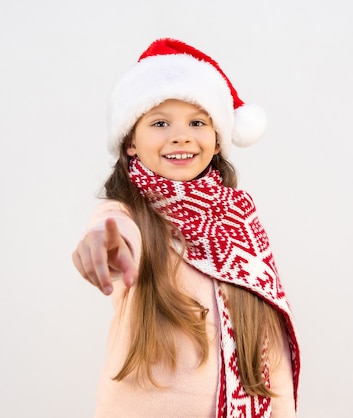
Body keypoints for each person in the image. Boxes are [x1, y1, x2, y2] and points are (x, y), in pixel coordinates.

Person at [72, 38, 301, 418]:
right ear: (130, 141)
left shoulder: (239, 223)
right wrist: (104, 244)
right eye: (160, 122)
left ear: (216, 141)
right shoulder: (129, 216)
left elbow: (269, 345)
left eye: (197, 122)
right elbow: (114, 230)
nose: (180, 135)